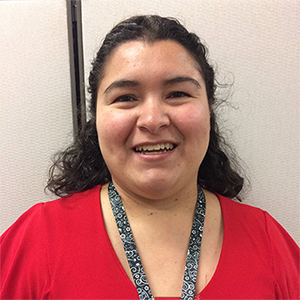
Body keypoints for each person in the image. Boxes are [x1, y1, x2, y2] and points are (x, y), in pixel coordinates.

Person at [0, 15, 299, 300]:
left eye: (177, 93)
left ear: (209, 110)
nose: (153, 120)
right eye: (126, 98)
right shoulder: (36, 241)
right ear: (97, 118)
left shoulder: (269, 244)